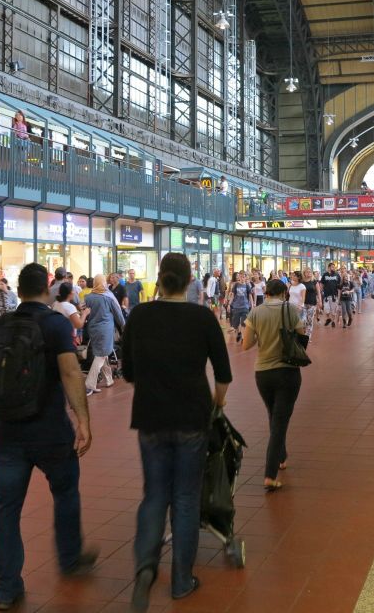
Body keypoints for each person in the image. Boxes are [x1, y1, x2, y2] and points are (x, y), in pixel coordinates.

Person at [123, 252, 231, 610]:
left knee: (154, 495)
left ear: (160, 279)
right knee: (185, 498)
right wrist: (217, 403)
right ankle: (182, 580)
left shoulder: (139, 315)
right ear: (189, 281)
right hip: (192, 418)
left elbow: (128, 372)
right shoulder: (202, 317)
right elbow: (223, 373)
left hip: (150, 416)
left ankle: (145, 570)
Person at [0, 263, 96, 610]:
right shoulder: (55, 324)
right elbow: (70, 372)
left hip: (6, 431)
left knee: (6, 507)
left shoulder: (1, 324)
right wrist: (83, 420)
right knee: (65, 492)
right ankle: (70, 558)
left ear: (19, 291)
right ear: (47, 290)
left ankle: (7, 588)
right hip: (50, 431)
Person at [243, 279, 305, 492]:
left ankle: (281, 456)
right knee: (280, 421)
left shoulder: (255, 312)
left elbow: (246, 344)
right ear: (284, 293)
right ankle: (269, 475)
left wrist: (263, 336)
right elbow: (302, 336)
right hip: (288, 372)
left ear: (266, 293)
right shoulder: (291, 310)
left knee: (274, 414)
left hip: (263, 373)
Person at [83, 275, 125, 395]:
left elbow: (83, 311)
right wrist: (124, 326)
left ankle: (109, 379)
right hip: (105, 329)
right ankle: (89, 384)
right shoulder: (108, 296)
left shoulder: (88, 297)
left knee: (102, 352)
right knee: (101, 355)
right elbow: (118, 313)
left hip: (93, 329)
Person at [52, 282, 88, 350]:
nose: (74, 293)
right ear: (70, 293)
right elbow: (79, 325)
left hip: (57, 336)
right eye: (73, 291)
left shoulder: (55, 304)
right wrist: (85, 313)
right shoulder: (69, 307)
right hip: (68, 338)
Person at [226, 271, 253, 343]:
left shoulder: (247, 285)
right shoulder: (236, 285)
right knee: (236, 324)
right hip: (236, 306)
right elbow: (232, 295)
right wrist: (229, 304)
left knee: (243, 323)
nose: (242, 278)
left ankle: (243, 338)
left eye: (243, 277)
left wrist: (252, 305)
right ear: (239, 277)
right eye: (240, 276)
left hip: (245, 306)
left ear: (245, 277)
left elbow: (250, 296)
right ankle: (239, 333)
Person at [320, 263, 342, 327]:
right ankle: (328, 318)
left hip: (334, 295)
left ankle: (333, 321)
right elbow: (322, 283)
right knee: (326, 309)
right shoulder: (325, 275)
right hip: (326, 295)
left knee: (333, 309)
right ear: (329, 267)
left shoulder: (337, 275)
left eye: (334, 267)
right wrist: (321, 291)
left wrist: (339, 295)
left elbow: (339, 284)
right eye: (332, 267)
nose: (333, 268)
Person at [301, 269, 319, 336]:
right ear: (304, 273)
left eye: (310, 272)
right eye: (307, 272)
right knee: (303, 320)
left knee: (310, 320)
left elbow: (318, 292)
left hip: (312, 303)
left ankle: (308, 336)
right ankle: (304, 332)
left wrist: (320, 301)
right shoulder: (301, 282)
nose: (309, 273)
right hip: (303, 303)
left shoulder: (314, 281)